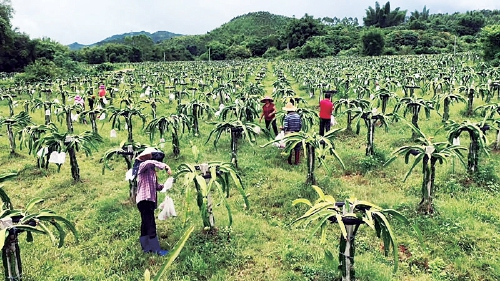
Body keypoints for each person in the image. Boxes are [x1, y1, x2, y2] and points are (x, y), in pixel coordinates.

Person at [135, 147, 171, 256]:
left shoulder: (151, 172)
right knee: (150, 223)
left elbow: (156, 186)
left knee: (145, 223)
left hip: (149, 200)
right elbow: (149, 162)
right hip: (144, 200)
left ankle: (146, 247)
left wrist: (165, 185)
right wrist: (165, 166)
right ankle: (156, 249)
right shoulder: (142, 167)